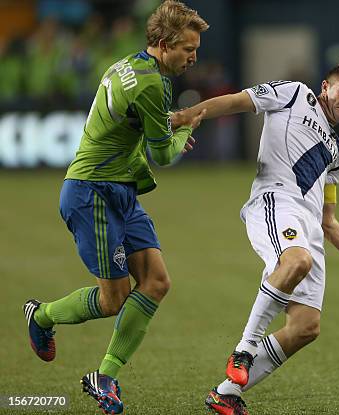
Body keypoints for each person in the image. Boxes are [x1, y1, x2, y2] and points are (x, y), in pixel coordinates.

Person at [22, 2, 208, 414]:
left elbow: (139, 124)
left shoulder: (130, 65)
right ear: (163, 44)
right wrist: (184, 129)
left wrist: (170, 121)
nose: (194, 57)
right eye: (187, 48)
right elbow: (162, 154)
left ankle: (105, 377)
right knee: (114, 300)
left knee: (157, 282)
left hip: (119, 189)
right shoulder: (153, 85)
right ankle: (43, 317)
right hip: (93, 193)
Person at [179, 63, 339, 415]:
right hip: (276, 201)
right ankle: (244, 348)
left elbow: (329, 222)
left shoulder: (336, 152)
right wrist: (187, 115)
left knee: (305, 328)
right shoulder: (296, 94)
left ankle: (225, 394)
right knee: (296, 261)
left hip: (310, 227)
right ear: (326, 86)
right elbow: (239, 101)